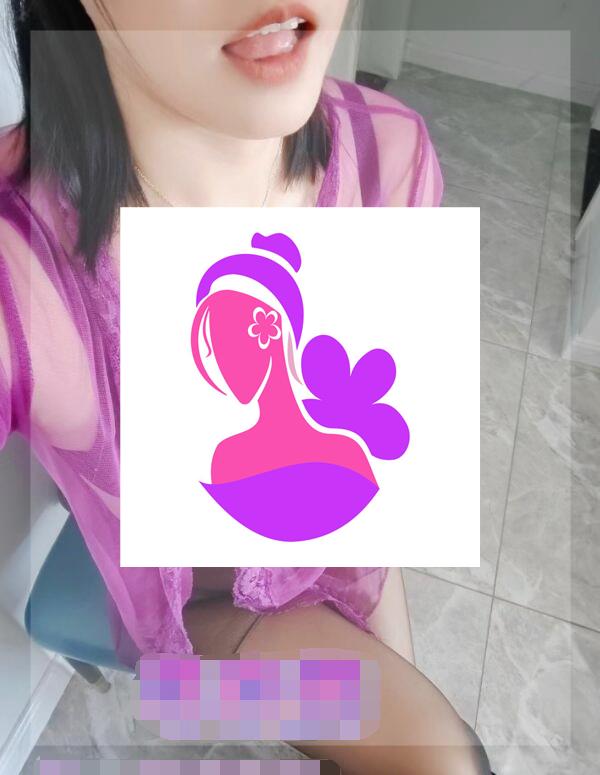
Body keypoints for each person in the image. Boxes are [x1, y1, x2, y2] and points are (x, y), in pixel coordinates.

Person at [0, 1, 489, 773]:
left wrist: (396, 681)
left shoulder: (388, 154)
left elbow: (376, 515)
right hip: (191, 637)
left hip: (338, 561)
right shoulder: (24, 265)